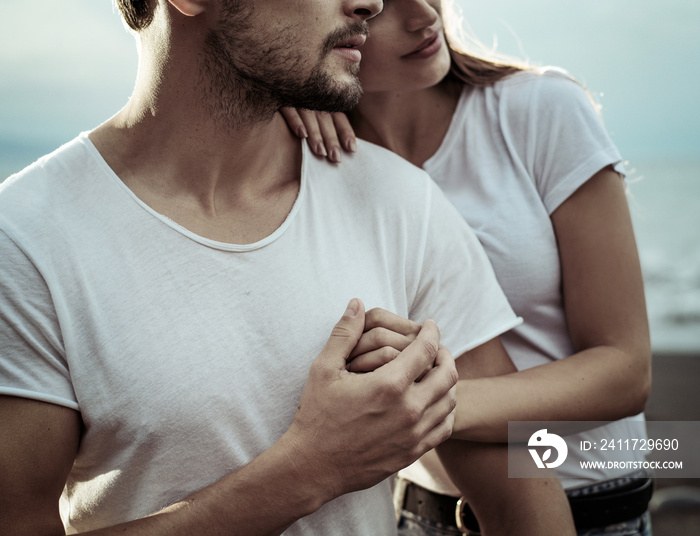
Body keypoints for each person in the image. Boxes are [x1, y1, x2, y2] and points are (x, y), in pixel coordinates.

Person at [0, 1, 577, 535]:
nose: (371, 2)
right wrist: (309, 470)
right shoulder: (26, 238)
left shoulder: (399, 199)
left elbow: (518, 484)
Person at [281, 0, 654, 534]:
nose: (423, 16)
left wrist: (420, 408)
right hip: (417, 515)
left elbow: (626, 371)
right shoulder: (309, 155)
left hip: (592, 505)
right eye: (383, 7)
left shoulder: (541, 109)